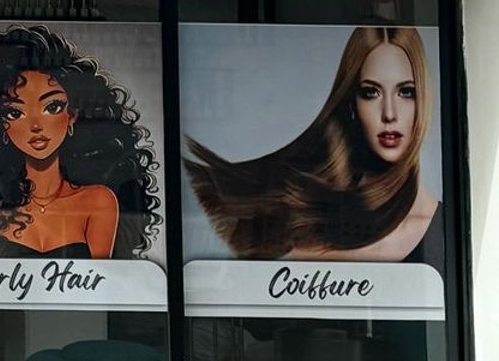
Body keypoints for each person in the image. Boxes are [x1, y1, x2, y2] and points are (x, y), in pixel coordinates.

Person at [184, 25, 439, 264]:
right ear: (352, 104)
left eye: (406, 92)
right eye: (371, 93)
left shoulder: (440, 230)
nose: (389, 113)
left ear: (423, 101)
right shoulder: (308, 217)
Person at [0, 24, 159, 260]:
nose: (36, 126)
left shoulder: (98, 202)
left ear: (73, 115)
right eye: (15, 113)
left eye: (52, 106)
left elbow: (99, 294)